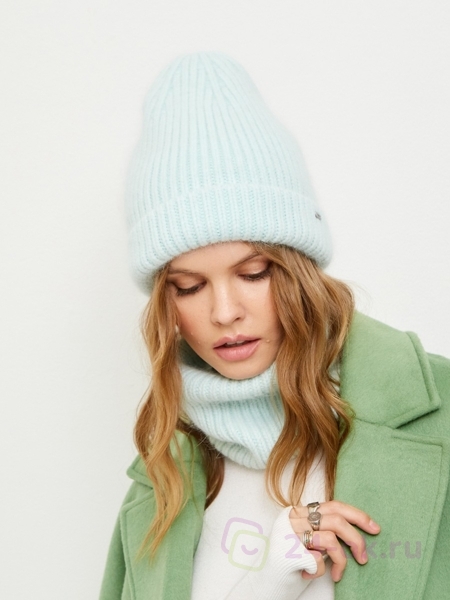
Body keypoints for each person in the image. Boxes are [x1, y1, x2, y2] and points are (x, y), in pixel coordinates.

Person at [99, 51, 450, 600]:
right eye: (188, 286)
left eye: (254, 273)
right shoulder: (161, 481)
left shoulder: (436, 417)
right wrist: (266, 578)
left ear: (299, 271)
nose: (224, 312)